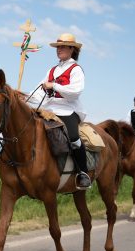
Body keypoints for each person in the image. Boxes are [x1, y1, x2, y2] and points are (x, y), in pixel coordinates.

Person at [26, 33, 91, 189]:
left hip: (68, 109)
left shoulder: (76, 69)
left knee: (74, 136)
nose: (59, 49)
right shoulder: (52, 70)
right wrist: (24, 98)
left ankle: (83, 173)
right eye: (58, 47)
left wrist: (54, 86)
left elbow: (75, 91)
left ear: (71, 49)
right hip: (49, 109)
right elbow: (39, 92)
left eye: (62, 47)